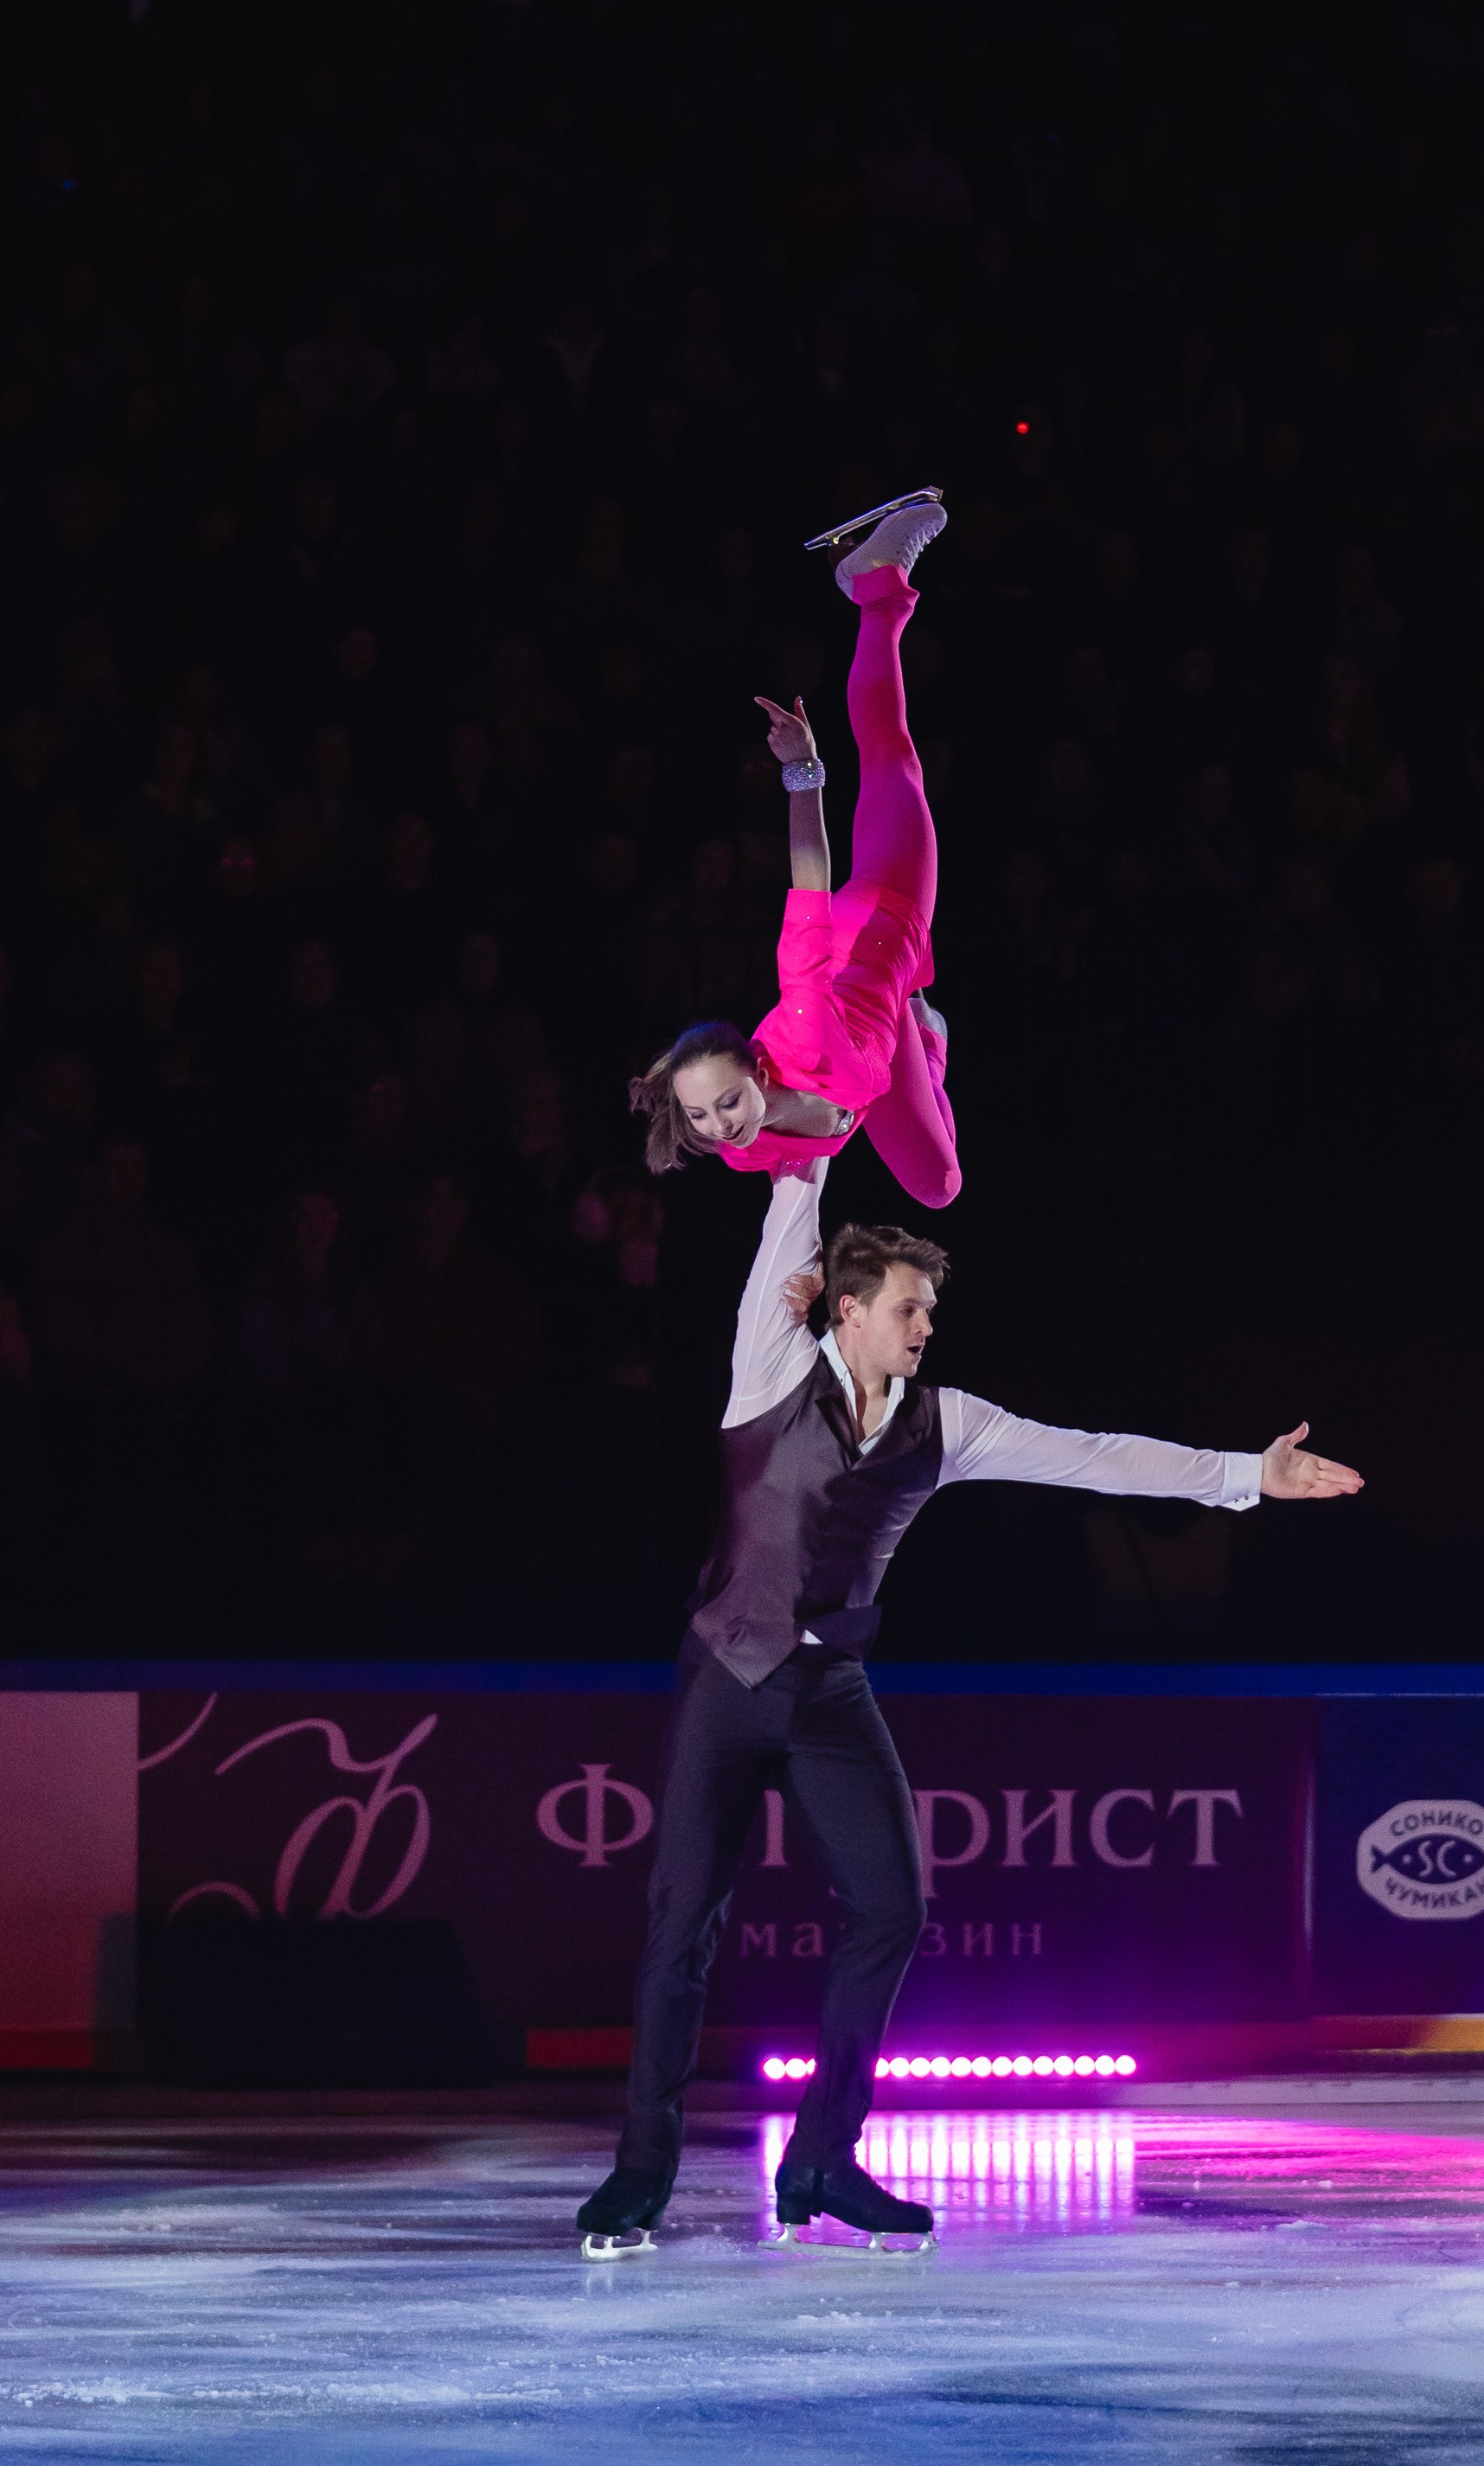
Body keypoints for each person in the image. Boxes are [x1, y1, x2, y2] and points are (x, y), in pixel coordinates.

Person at [575, 1160, 1363, 2257]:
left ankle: (821, 2158)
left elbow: (1091, 1459)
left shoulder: (945, 1423)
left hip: (829, 1690)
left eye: (930, 1310)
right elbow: (789, 1213)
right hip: (724, 1678)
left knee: (891, 1907)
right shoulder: (769, 1368)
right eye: (908, 1308)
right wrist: (814, 1134)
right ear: (847, 1311)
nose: (925, 1326)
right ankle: (638, 2174)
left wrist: (1244, 1476)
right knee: (681, 1924)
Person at [630, 499, 961, 1210]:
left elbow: (810, 878)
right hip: (877, 1038)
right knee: (938, 1186)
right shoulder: (744, 1153)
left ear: (755, 1070)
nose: (720, 1125)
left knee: (892, 758)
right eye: (700, 1116)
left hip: (879, 923)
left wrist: (804, 772)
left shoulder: (802, 1018)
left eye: (723, 1102)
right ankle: (924, 1032)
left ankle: (878, 589)